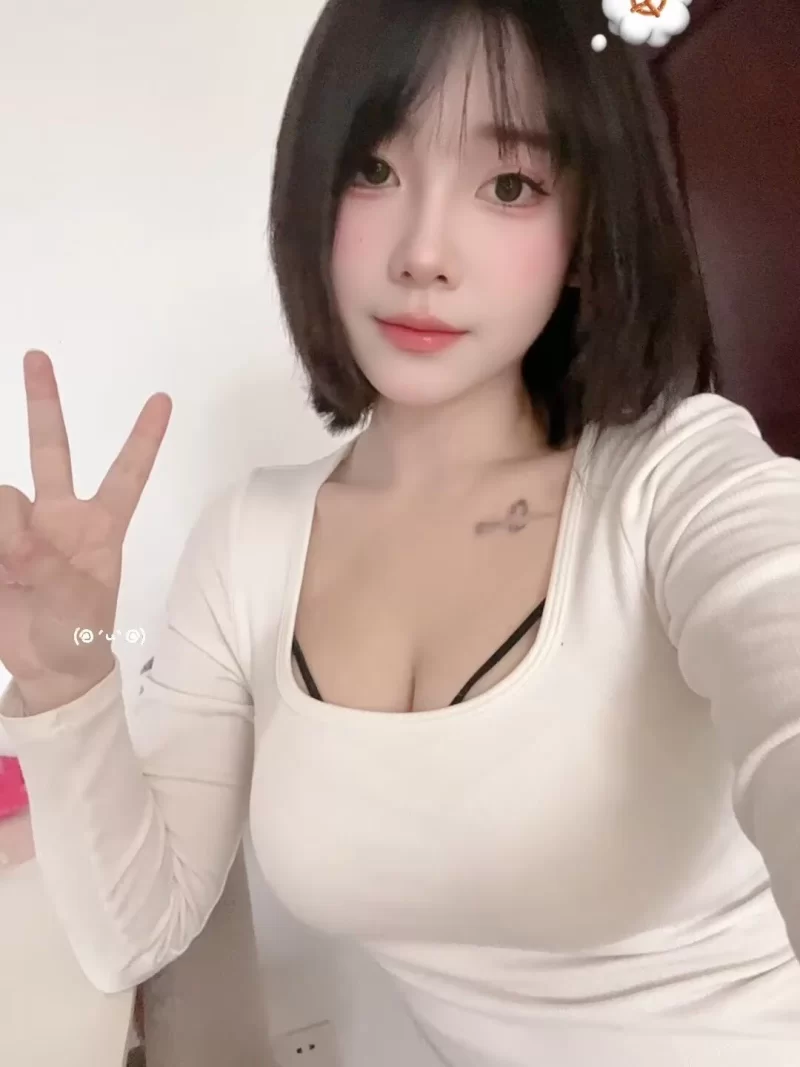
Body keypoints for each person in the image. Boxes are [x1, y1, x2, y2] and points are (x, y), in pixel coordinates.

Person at [1, 1, 799, 1064]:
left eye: (508, 185)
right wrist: (65, 676)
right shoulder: (247, 544)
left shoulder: (677, 481)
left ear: (584, 230)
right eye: (373, 169)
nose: (423, 252)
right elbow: (135, 930)